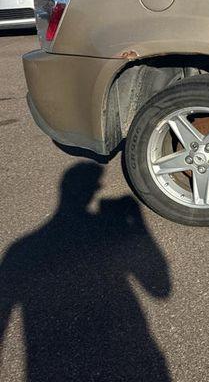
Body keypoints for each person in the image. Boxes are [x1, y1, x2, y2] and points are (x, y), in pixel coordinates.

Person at [0, 163, 172, 382]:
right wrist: (139, 224)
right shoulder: (112, 233)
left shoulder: (20, 250)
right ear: (93, 189)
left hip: (50, 370)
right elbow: (160, 289)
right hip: (131, 361)